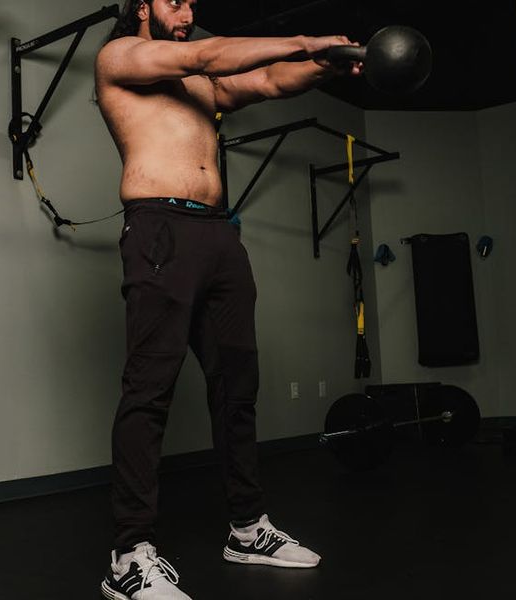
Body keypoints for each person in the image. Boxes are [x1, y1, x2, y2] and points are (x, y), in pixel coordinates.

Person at [94, 1, 363, 598]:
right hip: (160, 230)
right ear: (143, 6)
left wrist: (324, 65)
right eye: (175, 0)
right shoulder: (120, 56)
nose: (187, 10)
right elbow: (206, 53)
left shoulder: (200, 85)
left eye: (193, 2)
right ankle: (129, 556)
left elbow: (268, 81)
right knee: (149, 391)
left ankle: (247, 528)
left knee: (237, 387)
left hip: (217, 235)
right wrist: (306, 39)